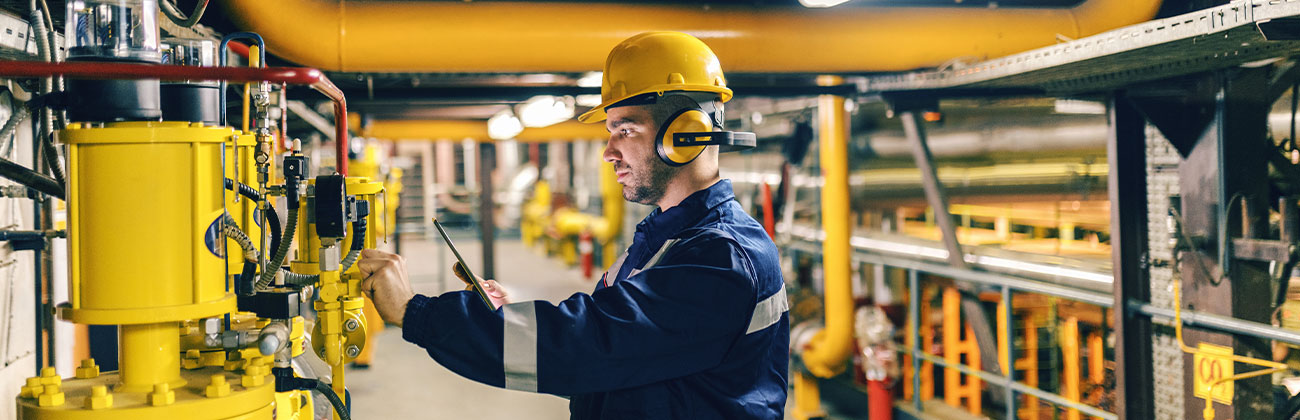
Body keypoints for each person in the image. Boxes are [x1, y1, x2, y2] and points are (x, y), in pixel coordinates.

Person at [359, 31, 789, 419]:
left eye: (624, 129)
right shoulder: (668, 235)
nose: (608, 151)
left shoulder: (721, 257)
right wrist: (507, 318)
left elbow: (588, 346)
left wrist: (416, 312)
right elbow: (621, 329)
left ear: (684, 135)